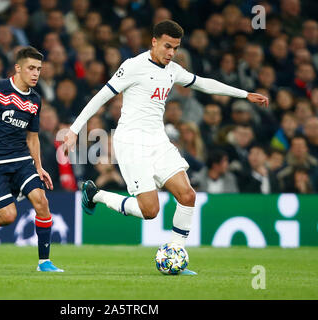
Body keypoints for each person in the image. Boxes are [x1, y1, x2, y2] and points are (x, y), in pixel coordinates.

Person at [63, 20, 268, 274]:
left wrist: (244, 94)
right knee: (150, 211)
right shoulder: (133, 66)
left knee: (188, 196)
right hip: (131, 142)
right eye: (168, 46)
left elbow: (204, 82)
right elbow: (101, 97)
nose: (171, 53)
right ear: (154, 42)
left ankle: (176, 254)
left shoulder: (173, 69)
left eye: (176, 48)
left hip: (158, 141)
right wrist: (74, 130)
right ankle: (96, 195)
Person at [0, 46, 63, 272]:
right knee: (8, 216)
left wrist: (39, 167)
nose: (36, 73)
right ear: (18, 68)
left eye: (39, 69)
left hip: (22, 161)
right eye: (31, 68)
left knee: (42, 202)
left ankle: (44, 262)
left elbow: (33, 138)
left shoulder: (35, 100)